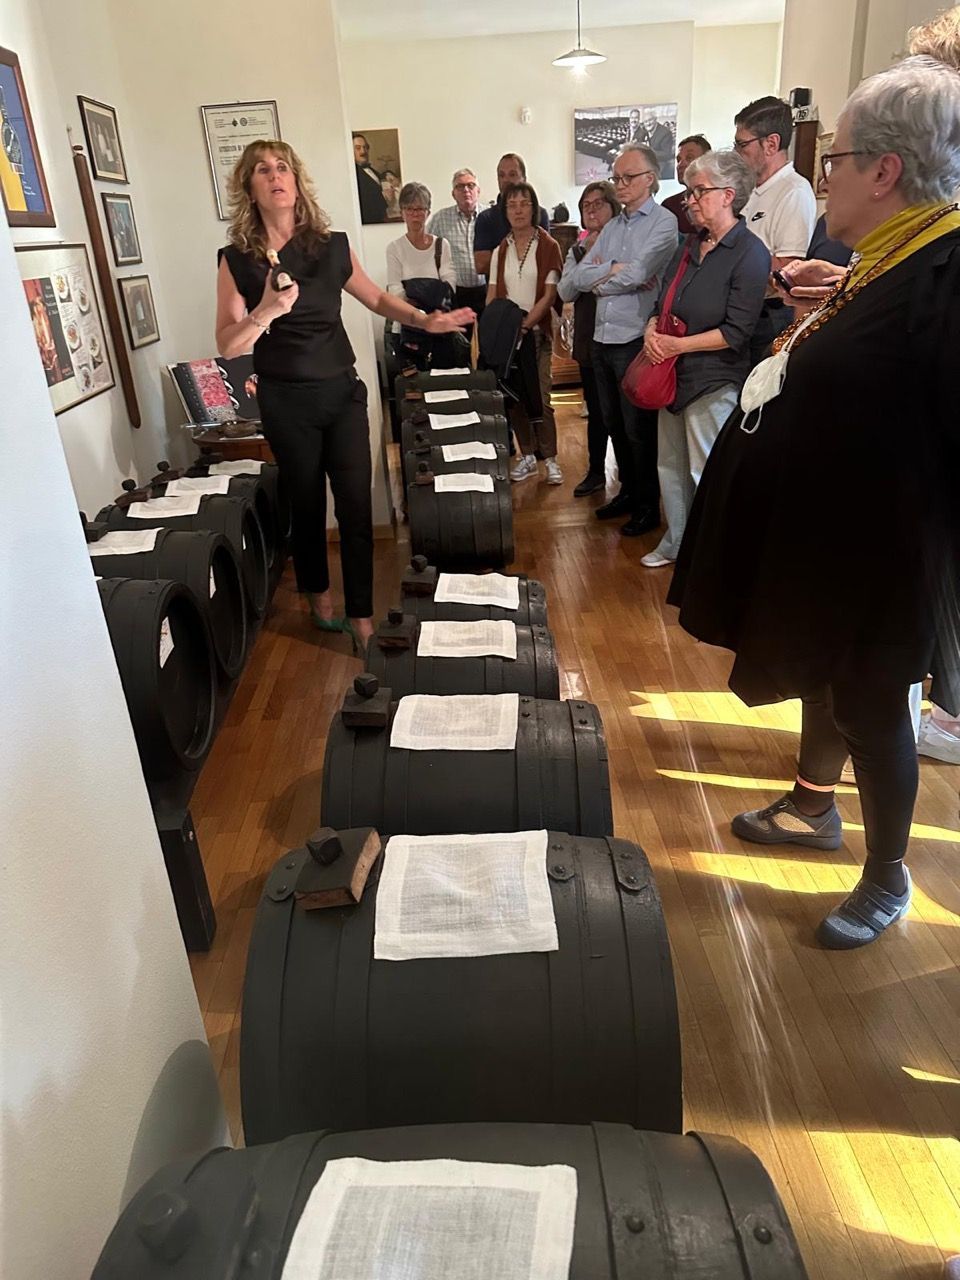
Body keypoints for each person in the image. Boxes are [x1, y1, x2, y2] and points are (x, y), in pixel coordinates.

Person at [667, 57, 960, 949]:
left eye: (831, 157)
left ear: (886, 170)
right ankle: (811, 808)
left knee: (874, 704)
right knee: (825, 680)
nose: (815, 172)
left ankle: (887, 876)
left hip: (886, 550)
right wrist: (838, 297)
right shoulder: (891, 255)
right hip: (836, 537)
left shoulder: (946, 266)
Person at [215, 140, 472, 652]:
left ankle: (361, 614)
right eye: (262, 170)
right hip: (285, 402)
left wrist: (426, 319)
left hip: (341, 394)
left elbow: (375, 297)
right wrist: (266, 309)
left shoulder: (331, 245)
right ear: (250, 187)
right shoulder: (237, 260)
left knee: (357, 505)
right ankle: (320, 594)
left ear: (296, 180)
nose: (274, 176)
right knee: (306, 504)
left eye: (282, 166)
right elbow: (227, 344)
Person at [640, 150, 769, 569]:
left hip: (713, 380)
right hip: (673, 377)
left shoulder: (749, 253)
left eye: (699, 192)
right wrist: (651, 332)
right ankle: (676, 541)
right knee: (670, 468)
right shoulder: (689, 246)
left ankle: (712, 555)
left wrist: (676, 346)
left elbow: (736, 332)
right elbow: (663, 301)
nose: (689, 200)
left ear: (728, 195)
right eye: (688, 191)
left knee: (706, 473)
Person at [561, 143, 678, 536]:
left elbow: (640, 273)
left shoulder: (663, 224)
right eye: (616, 178)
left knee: (637, 428)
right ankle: (628, 493)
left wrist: (603, 278)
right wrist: (611, 270)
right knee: (611, 422)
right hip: (602, 338)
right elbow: (577, 279)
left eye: (628, 178)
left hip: (633, 339)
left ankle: (648, 506)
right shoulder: (611, 228)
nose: (621, 185)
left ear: (650, 179)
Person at [486, 181, 564, 485]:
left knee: (541, 398)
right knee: (515, 399)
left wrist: (524, 325)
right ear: (505, 211)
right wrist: (494, 330)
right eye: (512, 204)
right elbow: (492, 296)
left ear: (534, 208)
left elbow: (548, 295)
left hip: (536, 333)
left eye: (524, 203)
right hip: (507, 339)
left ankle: (552, 459)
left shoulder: (549, 245)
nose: (518, 209)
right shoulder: (499, 250)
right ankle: (528, 456)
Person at [733, 96, 817, 362]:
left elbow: (790, 269)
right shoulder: (752, 191)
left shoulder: (794, 191)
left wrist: (734, 254)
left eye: (742, 144)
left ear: (771, 144)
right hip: (744, 309)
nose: (737, 153)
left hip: (770, 315)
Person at [557, 180, 621, 496]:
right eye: (586, 205)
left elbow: (624, 277)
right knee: (596, 409)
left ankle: (628, 474)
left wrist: (591, 273)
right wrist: (594, 263)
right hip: (589, 338)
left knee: (622, 411)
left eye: (598, 203)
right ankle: (596, 470)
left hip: (623, 338)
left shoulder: (626, 243)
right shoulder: (576, 249)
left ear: (613, 207)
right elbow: (566, 290)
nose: (592, 210)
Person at [386, 181, 458, 370]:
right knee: (413, 389)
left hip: (440, 326)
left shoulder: (442, 246)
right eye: (409, 209)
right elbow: (395, 290)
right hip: (406, 328)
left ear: (428, 211)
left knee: (442, 386)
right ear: (402, 212)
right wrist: (428, 297)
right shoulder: (394, 248)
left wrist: (416, 292)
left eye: (420, 209)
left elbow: (449, 284)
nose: (415, 214)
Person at [473, 154, 550, 279]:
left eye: (512, 174)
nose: (506, 180)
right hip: (499, 292)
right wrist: (523, 256)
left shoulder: (540, 215)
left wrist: (500, 257)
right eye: (501, 175)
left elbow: (545, 260)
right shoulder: (486, 218)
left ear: (524, 178)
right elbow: (482, 265)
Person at [427, 168, 487, 324]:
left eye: (471, 185)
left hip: (487, 292)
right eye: (460, 186)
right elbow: (426, 252)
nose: (466, 190)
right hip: (455, 294)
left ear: (478, 191)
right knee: (459, 343)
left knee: (488, 340)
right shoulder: (440, 219)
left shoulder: (489, 217)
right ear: (453, 194)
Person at [661, 135, 711, 236]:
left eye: (689, 158)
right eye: (678, 160)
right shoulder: (669, 206)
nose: (680, 165)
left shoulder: (720, 201)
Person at [352, 133, 388, 224]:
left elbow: (377, 181)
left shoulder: (372, 171)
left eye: (365, 147)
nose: (363, 151)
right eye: (358, 148)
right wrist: (383, 197)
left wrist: (388, 174)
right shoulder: (353, 175)